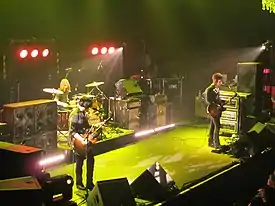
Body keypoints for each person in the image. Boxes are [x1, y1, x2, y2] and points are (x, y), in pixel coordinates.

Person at [69, 97, 95, 191]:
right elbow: (72, 132)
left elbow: (86, 126)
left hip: (84, 140)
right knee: (79, 163)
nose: (88, 110)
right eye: (87, 107)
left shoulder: (83, 113)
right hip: (77, 142)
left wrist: (91, 129)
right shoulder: (75, 115)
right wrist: (82, 139)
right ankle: (79, 183)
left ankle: (89, 183)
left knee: (90, 161)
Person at [205, 73, 223, 149]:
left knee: (212, 126)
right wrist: (216, 105)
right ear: (215, 80)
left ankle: (210, 141)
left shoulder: (217, 88)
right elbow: (208, 100)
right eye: (220, 81)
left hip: (216, 110)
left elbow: (217, 99)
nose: (221, 83)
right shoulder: (209, 89)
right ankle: (217, 144)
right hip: (213, 110)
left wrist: (221, 103)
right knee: (217, 126)